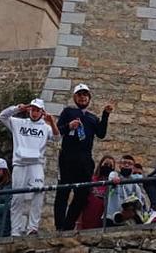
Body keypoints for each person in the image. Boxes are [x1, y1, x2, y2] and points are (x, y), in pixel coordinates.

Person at [54, 83, 114, 231]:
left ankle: (68, 226)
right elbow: (57, 132)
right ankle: (59, 226)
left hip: (85, 160)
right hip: (67, 158)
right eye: (80, 95)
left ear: (89, 98)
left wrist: (105, 115)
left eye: (85, 95)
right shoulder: (68, 112)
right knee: (63, 193)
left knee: (82, 195)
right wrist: (69, 126)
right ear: (74, 97)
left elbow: (101, 134)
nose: (83, 97)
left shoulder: (92, 118)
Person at [0, 98, 60, 236]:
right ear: (29, 110)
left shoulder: (46, 127)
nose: (34, 112)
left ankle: (33, 227)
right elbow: (2, 116)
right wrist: (18, 108)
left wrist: (52, 122)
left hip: (36, 164)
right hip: (19, 164)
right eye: (32, 109)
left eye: (38, 110)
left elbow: (57, 138)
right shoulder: (18, 122)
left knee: (39, 192)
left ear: (42, 112)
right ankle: (15, 230)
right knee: (17, 197)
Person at [104, 155, 147, 226]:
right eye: (124, 163)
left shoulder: (135, 185)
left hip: (127, 219)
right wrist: (114, 180)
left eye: (130, 164)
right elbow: (112, 179)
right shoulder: (114, 174)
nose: (126, 165)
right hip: (110, 216)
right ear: (120, 165)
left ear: (133, 167)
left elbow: (139, 201)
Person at [77, 155, 115, 230]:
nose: (108, 167)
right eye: (106, 164)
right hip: (88, 216)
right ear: (101, 165)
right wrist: (78, 221)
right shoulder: (92, 180)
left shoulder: (112, 184)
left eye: (110, 165)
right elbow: (81, 200)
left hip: (103, 220)